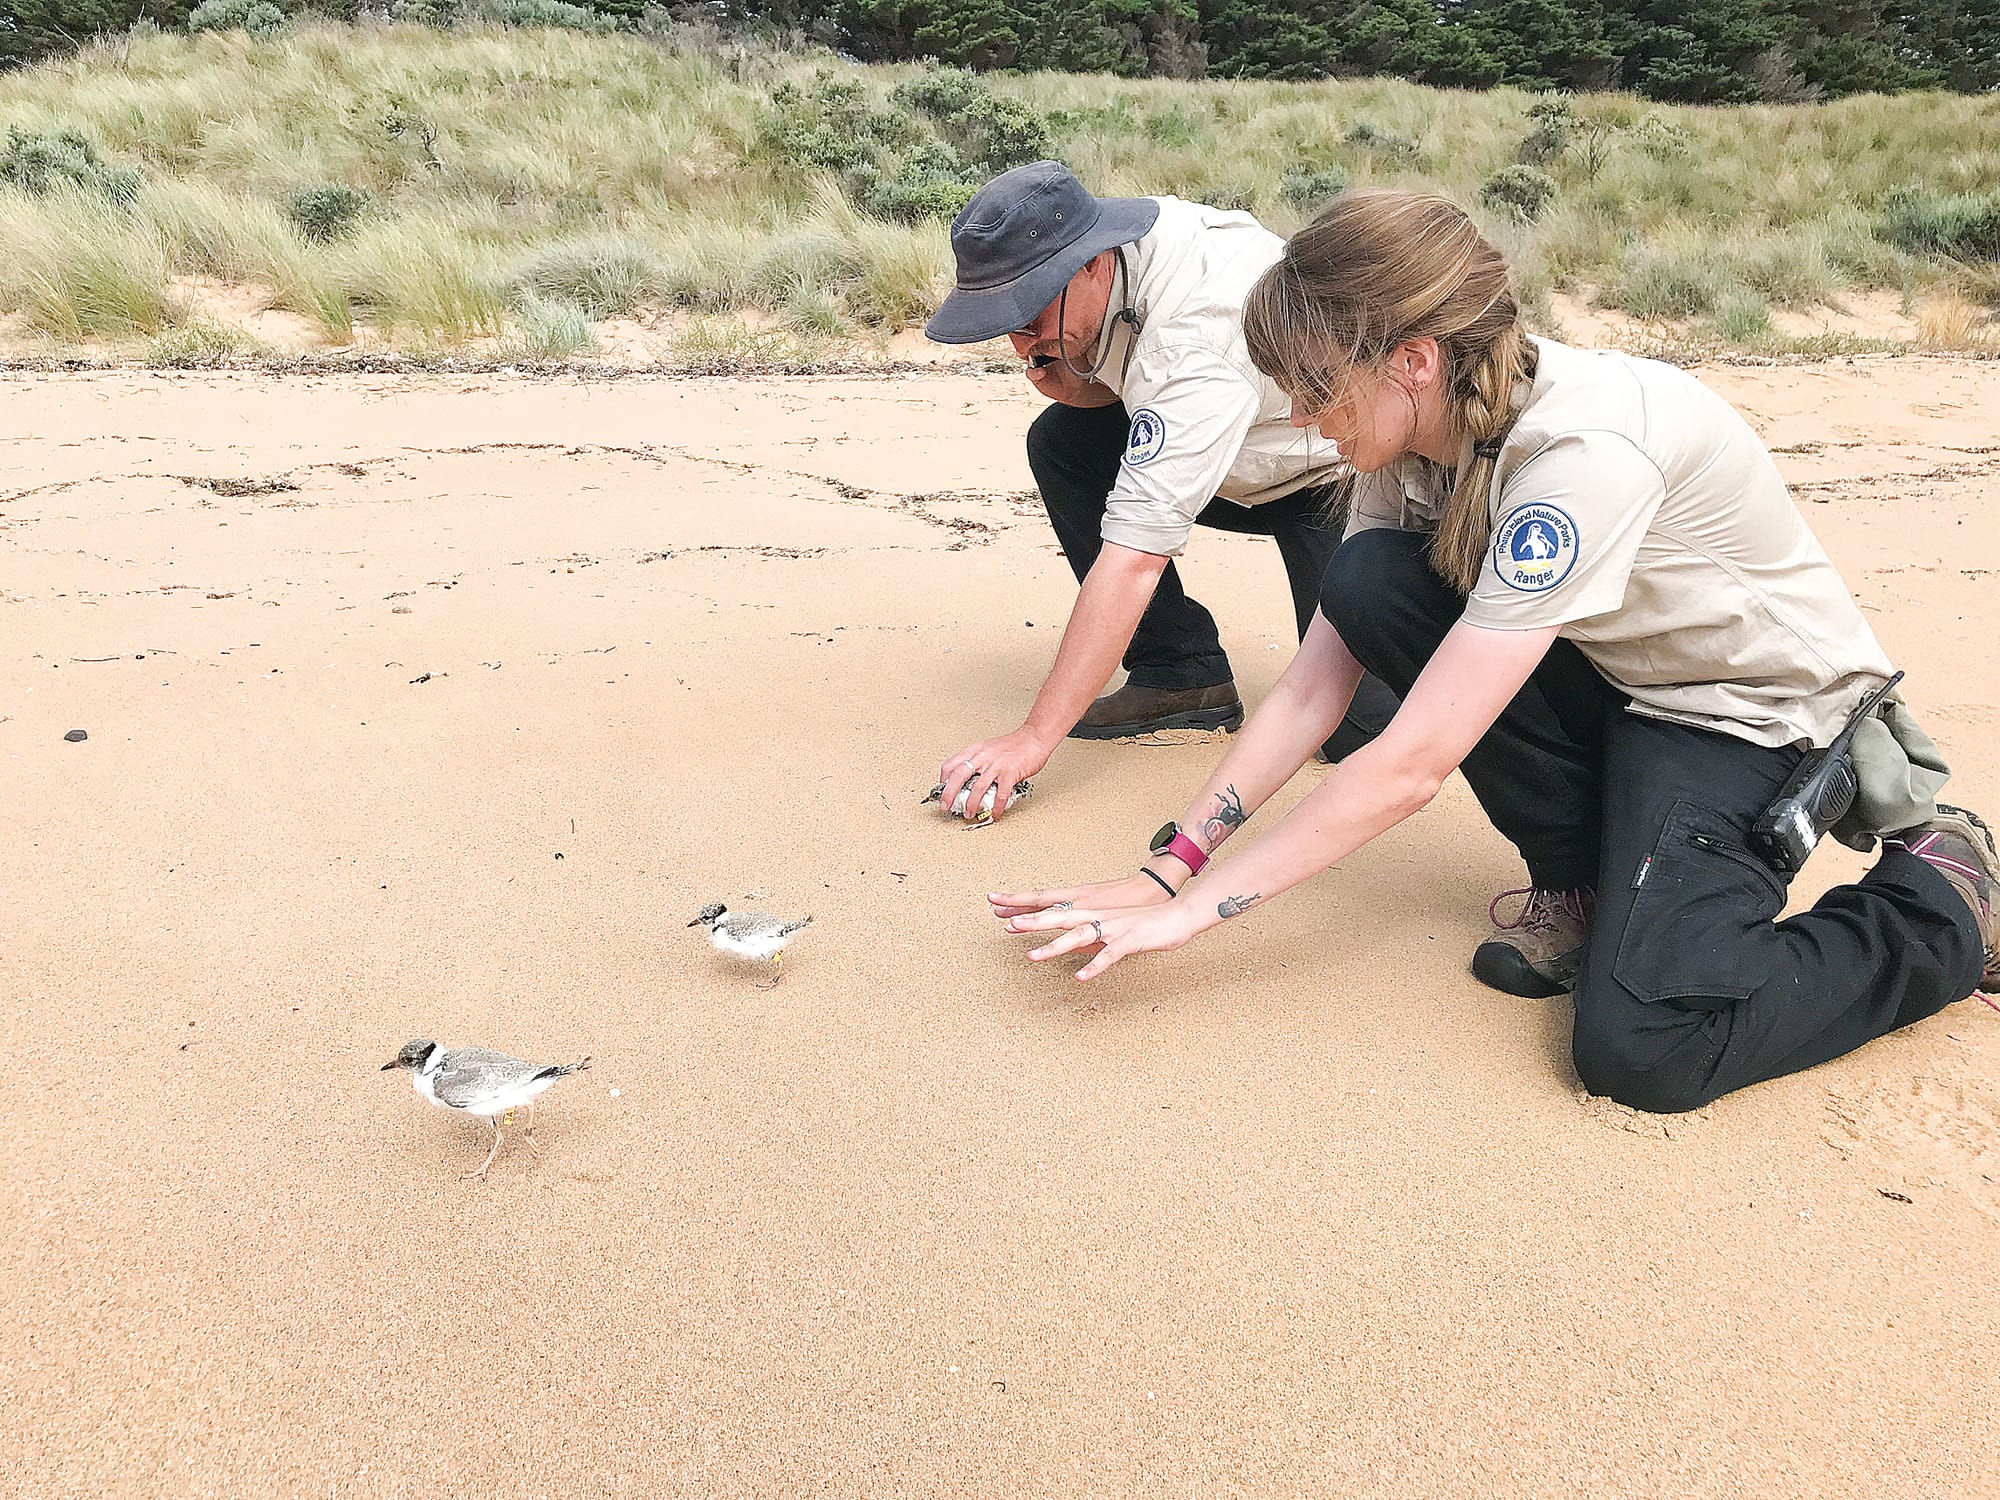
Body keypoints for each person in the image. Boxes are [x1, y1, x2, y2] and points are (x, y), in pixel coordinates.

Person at [990, 188, 1998, 1114]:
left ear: (1412, 360)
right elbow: (1311, 689)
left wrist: (1192, 917)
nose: (1295, 417)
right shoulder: (1414, 434)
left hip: (1745, 718)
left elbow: (1410, 764)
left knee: (1643, 1050)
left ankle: (1943, 896)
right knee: (1369, 578)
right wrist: (1172, 864)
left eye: (1312, 386)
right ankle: (1590, 886)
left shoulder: (1578, 458)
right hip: (1622, 682)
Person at [924, 160, 1397, 823]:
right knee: (1063, 439)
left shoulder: (1198, 332)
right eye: (1001, 316)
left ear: (1090, 263)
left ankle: (1458, 617)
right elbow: (1135, 391)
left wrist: (1033, 738)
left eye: (1028, 309)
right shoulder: (1106, 244)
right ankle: (1181, 672)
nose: (1018, 338)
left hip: (1336, 474)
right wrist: (1075, 380)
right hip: (1234, 454)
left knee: (1360, 731)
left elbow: (1135, 560)